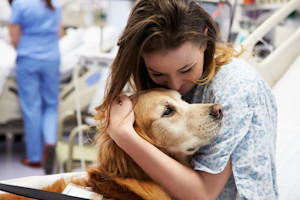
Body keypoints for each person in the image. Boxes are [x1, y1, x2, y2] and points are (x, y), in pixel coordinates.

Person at [97, 0, 278, 199]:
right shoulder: (148, 87)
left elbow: (203, 195)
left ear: (205, 42)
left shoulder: (235, 87)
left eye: (186, 69)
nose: (174, 85)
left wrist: (124, 136)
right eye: (158, 74)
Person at [9, 0, 63, 174]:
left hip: (29, 58)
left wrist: (23, 50)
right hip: (52, 60)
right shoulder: (55, 3)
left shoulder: (21, 3)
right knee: (51, 105)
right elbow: (60, 33)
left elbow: (14, 33)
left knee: (32, 107)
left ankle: (35, 158)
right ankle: (50, 143)